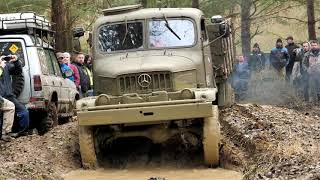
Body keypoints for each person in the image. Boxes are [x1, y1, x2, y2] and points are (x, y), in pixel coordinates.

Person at [0, 54, 29, 137]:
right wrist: (1, 67)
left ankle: (21, 132)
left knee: (24, 112)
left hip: (9, 96)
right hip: (1, 97)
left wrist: (16, 61)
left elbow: (18, 71)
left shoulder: (5, 66)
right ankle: (4, 134)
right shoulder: (2, 67)